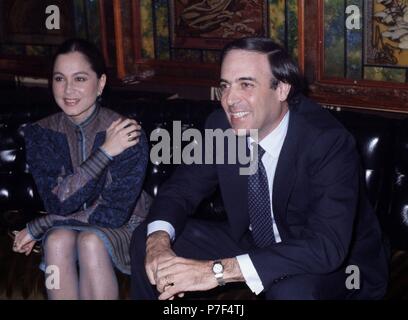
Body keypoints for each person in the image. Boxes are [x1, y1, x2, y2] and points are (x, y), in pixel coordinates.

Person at [130, 37, 389, 300]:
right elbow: (180, 191)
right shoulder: (222, 127)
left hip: (340, 263)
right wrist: (157, 244)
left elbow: (326, 246)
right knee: (146, 240)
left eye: (246, 84)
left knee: (291, 292)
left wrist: (215, 271)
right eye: (225, 86)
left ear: (282, 90)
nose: (230, 99)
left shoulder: (327, 141)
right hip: (255, 242)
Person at [12, 38, 150, 300]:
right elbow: (58, 202)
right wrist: (105, 152)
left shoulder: (127, 132)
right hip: (69, 219)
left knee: (91, 242)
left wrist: (42, 224)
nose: (68, 90)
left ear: (100, 84)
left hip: (128, 222)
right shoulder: (41, 133)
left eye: (80, 79)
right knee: (56, 240)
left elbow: (114, 214)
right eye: (59, 79)